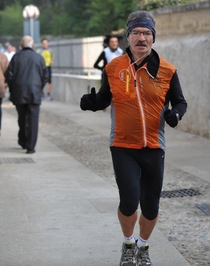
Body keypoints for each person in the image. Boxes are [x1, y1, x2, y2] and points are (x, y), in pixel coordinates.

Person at [80, 10, 187, 266]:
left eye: (147, 33)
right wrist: (93, 103)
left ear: (153, 38)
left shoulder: (167, 71)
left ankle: (143, 246)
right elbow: (106, 98)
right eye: (136, 32)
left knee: (150, 206)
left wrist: (175, 114)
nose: (142, 37)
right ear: (128, 37)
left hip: (154, 146)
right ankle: (128, 243)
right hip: (122, 145)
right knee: (129, 201)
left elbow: (180, 102)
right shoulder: (113, 68)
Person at [5, 35, 48, 154]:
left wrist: (13, 90)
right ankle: (31, 146)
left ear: (21, 45)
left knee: (22, 118)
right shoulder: (39, 58)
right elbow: (45, 76)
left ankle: (23, 140)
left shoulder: (16, 57)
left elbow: (9, 75)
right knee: (33, 120)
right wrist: (39, 88)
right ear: (33, 45)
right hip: (34, 93)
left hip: (19, 93)